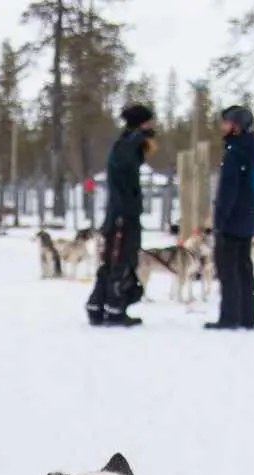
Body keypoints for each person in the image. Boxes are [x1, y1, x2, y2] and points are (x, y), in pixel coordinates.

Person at [86, 104, 156, 328]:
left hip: (118, 212)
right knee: (121, 260)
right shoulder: (128, 145)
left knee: (111, 260)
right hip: (123, 214)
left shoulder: (122, 144)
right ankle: (115, 308)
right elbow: (127, 166)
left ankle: (97, 305)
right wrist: (140, 138)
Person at [208, 104, 254, 331]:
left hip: (232, 220)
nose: (223, 127)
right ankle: (246, 315)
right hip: (248, 218)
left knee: (228, 269)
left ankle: (230, 316)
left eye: (226, 122)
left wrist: (219, 221)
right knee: (244, 268)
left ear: (236, 126)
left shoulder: (235, 152)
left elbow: (228, 190)